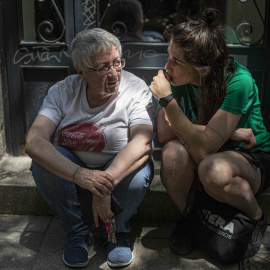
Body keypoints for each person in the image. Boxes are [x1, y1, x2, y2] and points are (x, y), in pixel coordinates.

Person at [25, 28, 154, 268]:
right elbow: (34, 141)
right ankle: (77, 233)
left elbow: (143, 142)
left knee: (140, 171)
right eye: (103, 67)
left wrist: (104, 185)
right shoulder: (63, 91)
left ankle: (116, 233)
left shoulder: (135, 88)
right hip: (73, 174)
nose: (114, 73)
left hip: (116, 172)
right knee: (41, 162)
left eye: (117, 63)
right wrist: (82, 176)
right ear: (81, 72)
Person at [149, 8, 270, 260]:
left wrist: (167, 100)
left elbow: (203, 149)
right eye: (168, 56)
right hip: (214, 145)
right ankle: (191, 219)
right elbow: (163, 133)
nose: (167, 66)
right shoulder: (175, 79)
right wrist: (231, 131)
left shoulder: (239, 81)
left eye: (176, 61)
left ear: (203, 68)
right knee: (171, 155)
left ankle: (257, 217)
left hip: (249, 156)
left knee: (212, 169)